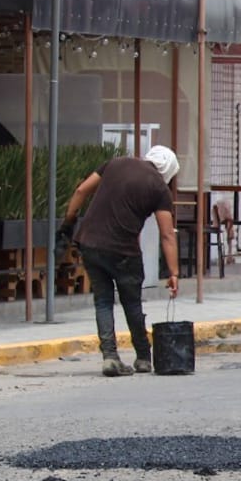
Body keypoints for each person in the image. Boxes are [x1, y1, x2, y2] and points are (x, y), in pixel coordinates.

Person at [58, 146, 181, 377]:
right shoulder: (159, 188)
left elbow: (81, 190)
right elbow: (167, 234)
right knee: (132, 302)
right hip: (123, 251)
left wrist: (68, 222)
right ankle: (144, 357)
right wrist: (173, 272)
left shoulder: (115, 163)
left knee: (103, 301)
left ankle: (110, 357)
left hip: (90, 244)